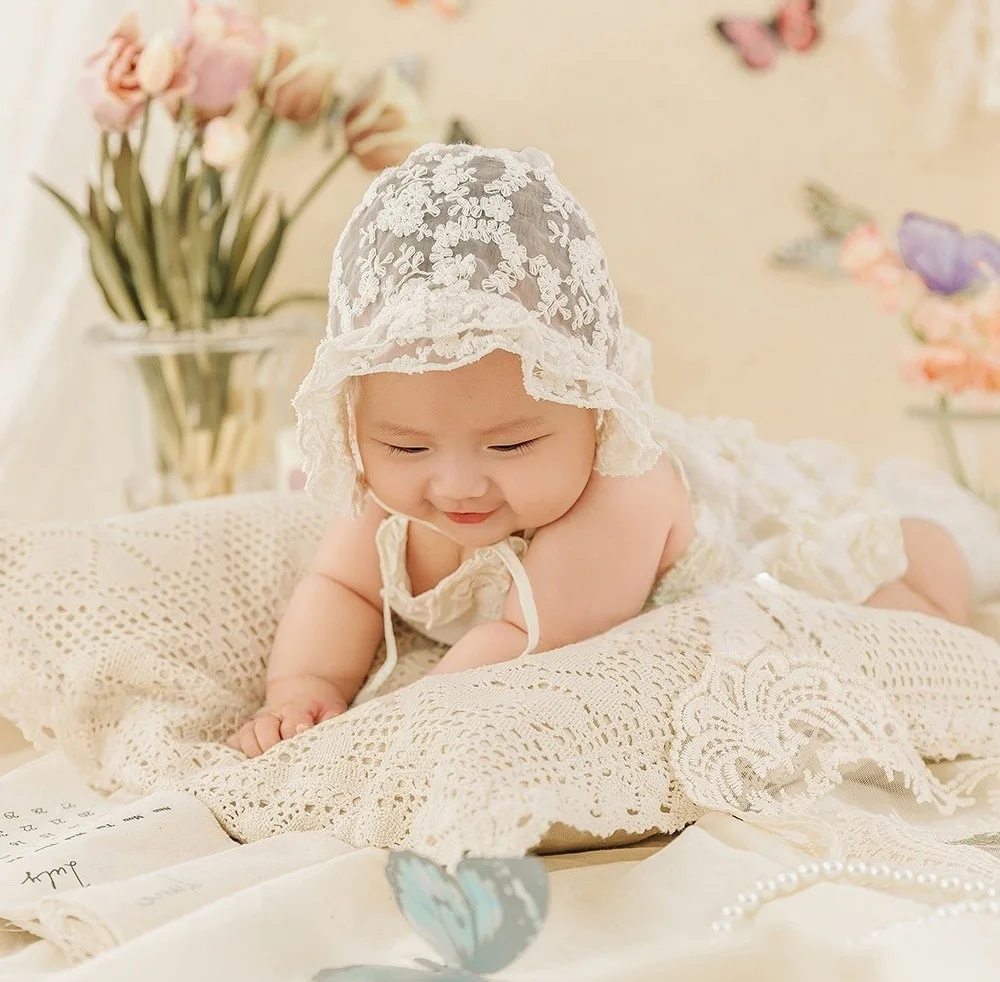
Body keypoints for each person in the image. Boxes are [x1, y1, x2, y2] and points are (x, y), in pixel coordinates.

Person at [228, 143, 1000, 758]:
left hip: (762, 558)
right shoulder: (385, 492)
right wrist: (301, 689)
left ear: (593, 407)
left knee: (913, 622)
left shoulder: (619, 492)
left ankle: (932, 550)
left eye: (512, 442)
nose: (456, 482)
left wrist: (364, 736)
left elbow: (521, 643)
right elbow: (342, 587)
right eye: (405, 444)